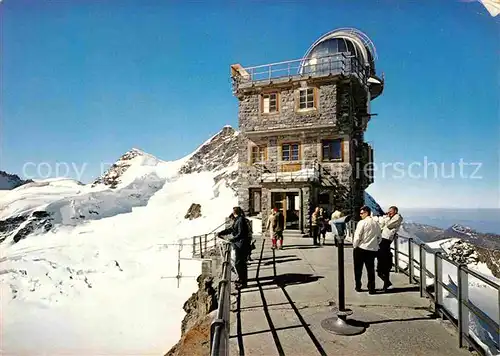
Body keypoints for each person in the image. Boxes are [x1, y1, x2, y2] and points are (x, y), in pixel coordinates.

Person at [217, 206, 250, 289]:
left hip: (241, 244)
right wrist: (222, 232)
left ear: (235, 212)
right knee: (240, 263)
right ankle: (242, 280)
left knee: (239, 263)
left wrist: (232, 239)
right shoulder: (238, 219)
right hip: (239, 244)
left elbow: (241, 233)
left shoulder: (240, 220)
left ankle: (242, 282)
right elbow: (232, 229)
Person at [352, 205, 381, 294]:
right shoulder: (376, 223)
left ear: (366, 213)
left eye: (361, 213)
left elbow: (357, 236)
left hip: (361, 248)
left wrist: (355, 246)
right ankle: (371, 288)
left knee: (358, 269)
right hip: (372, 249)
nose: (360, 215)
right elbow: (379, 237)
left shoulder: (362, 223)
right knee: (370, 269)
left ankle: (358, 286)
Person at [377, 206, 403, 291]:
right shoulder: (391, 217)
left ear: (395, 211)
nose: (389, 213)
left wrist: (387, 218)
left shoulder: (397, 218)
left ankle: (387, 283)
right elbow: (382, 225)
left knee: (383, 260)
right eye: (388, 211)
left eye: (391, 211)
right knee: (382, 260)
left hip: (386, 239)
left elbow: (388, 225)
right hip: (383, 239)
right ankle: (387, 283)